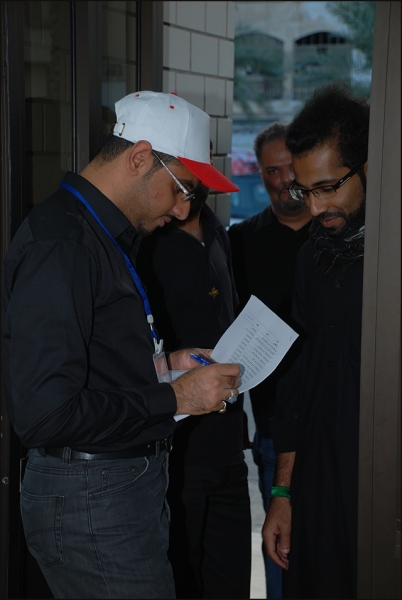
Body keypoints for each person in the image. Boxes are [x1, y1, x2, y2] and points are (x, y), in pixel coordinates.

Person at [1, 91, 242, 599]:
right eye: (181, 188)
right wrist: (176, 397)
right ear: (139, 158)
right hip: (91, 495)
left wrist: (163, 366)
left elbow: (90, 363)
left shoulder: (99, 233)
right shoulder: (64, 242)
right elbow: (45, 413)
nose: (182, 209)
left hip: (111, 489)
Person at [262, 83, 369, 599]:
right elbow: (297, 381)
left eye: (328, 187)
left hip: (377, 482)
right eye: (307, 191)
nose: (316, 206)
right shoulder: (311, 256)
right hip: (317, 484)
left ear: (368, 167)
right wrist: (282, 491)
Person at [137, 169, 251, 599]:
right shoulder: (148, 242)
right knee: (183, 580)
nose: (183, 205)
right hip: (179, 450)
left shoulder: (219, 230)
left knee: (231, 580)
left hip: (229, 443)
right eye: (178, 189)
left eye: (193, 189)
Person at [228, 122, 311, 598]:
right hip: (273, 427)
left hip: (340, 421)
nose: (284, 180)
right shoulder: (240, 242)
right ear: (259, 175)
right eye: (271, 171)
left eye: (290, 167)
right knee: (280, 550)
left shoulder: (339, 235)